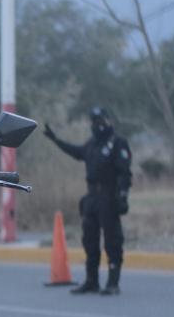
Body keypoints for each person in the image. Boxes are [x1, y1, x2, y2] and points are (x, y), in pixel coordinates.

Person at [44, 106, 132, 295]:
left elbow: (125, 173)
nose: (97, 125)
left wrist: (123, 196)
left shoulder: (117, 143)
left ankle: (113, 283)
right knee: (89, 241)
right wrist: (56, 141)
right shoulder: (92, 143)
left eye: (100, 120)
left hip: (109, 196)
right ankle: (92, 281)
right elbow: (77, 152)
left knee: (112, 241)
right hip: (92, 198)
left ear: (108, 121)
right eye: (93, 121)